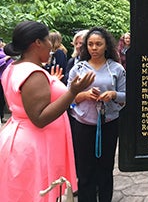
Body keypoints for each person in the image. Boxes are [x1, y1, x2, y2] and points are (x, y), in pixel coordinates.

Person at [0, 21, 95, 202]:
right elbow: (40, 118)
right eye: (47, 40)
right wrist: (73, 92)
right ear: (37, 43)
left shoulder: (14, 67)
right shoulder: (34, 73)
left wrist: (51, 83)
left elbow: (18, 104)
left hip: (19, 138)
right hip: (35, 146)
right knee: (39, 193)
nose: (50, 45)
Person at [67, 26, 126, 202]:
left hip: (108, 123)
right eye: (91, 44)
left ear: (106, 46)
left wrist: (113, 95)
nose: (94, 48)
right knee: (85, 170)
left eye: (98, 44)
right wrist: (84, 95)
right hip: (83, 124)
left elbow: (127, 95)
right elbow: (68, 98)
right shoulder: (78, 68)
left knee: (105, 169)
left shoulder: (117, 69)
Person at [0, 38, 13, 123]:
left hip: (7, 76)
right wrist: (7, 57)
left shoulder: (3, 50)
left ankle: (2, 116)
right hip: (0, 77)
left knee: (5, 98)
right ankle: (1, 116)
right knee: (1, 98)